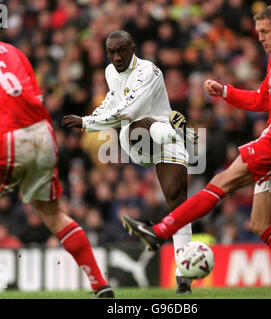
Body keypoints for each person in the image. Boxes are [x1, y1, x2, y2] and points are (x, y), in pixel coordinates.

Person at [121, 4, 271, 294]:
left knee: (220, 182)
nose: (260, 38)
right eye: (258, 32)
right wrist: (226, 92)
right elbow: (262, 99)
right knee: (260, 223)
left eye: (264, 32)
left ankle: (160, 230)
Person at [0, 5, 113, 299]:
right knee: (54, 215)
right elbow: (36, 98)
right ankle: (100, 285)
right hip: (42, 133)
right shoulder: (10, 50)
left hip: (6, 140)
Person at [62, 30, 196, 294]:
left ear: (132, 48)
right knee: (138, 124)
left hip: (165, 144)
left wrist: (86, 122)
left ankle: (184, 276)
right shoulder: (111, 72)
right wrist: (89, 119)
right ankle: (181, 130)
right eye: (111, 52)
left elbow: (128, 108)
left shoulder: (149, 71)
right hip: (136, 141)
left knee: (179, 204)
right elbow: (115, 102)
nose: (117, 56)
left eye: (122, 50)